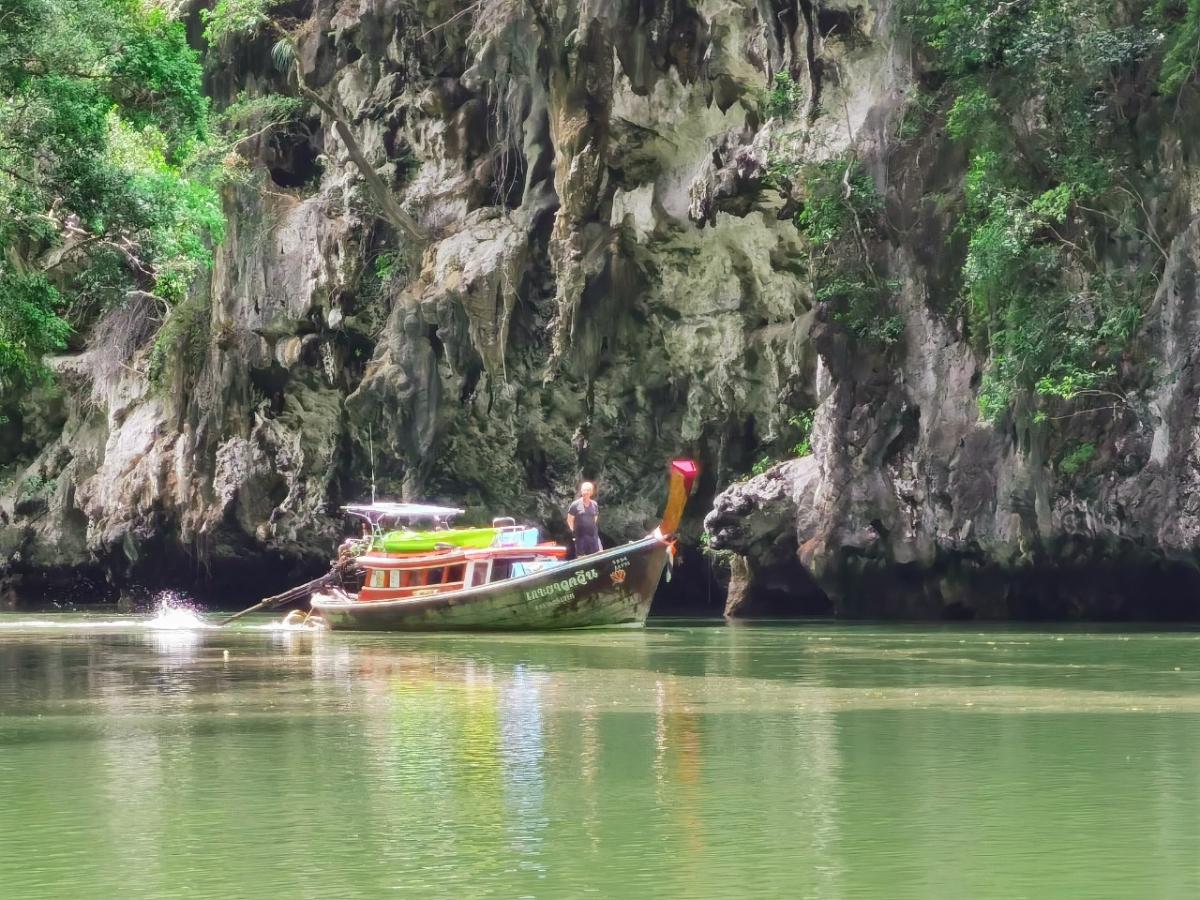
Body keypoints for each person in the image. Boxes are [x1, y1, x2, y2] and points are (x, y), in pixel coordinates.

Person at [566, 481, 601, 557]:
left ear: (591, 492)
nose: (586, 492)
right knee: (581, 556)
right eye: (584, 490)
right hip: (580, 537)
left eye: (588, 490)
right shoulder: (575, 505)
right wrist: (575, 530)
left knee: (596, 555)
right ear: (581, 491)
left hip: (592, 536)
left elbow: (595, 517)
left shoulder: (594, 504)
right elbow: (569, 520)